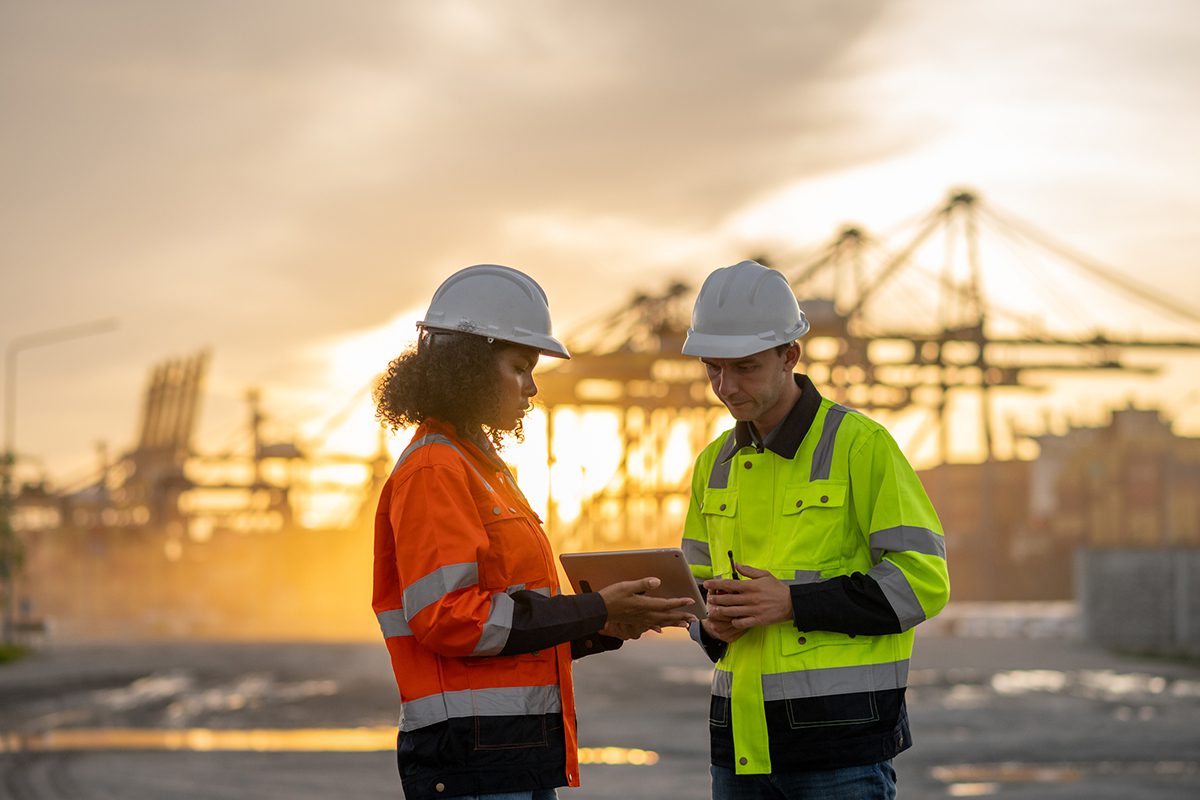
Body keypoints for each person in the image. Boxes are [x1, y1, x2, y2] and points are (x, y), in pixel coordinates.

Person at [372, 264, 696, 800]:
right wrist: (594, 610)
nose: (532, 386)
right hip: (473, 764)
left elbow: (509, 633)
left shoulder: (481, 470)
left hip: (508, 757)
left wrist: (606, 624)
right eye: (520, 367)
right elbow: (452, 620)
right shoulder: (437, 470)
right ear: (469, 368)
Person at [679, 260, 950, 799]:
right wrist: (710, 626)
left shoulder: (862, 446)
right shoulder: (715, 463)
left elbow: (923, 581)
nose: (725, 386)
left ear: (790, 356)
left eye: (745, 367)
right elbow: (695, 588)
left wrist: (792, 602)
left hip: (841, 749)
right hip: (739, 746)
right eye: (713, 368)